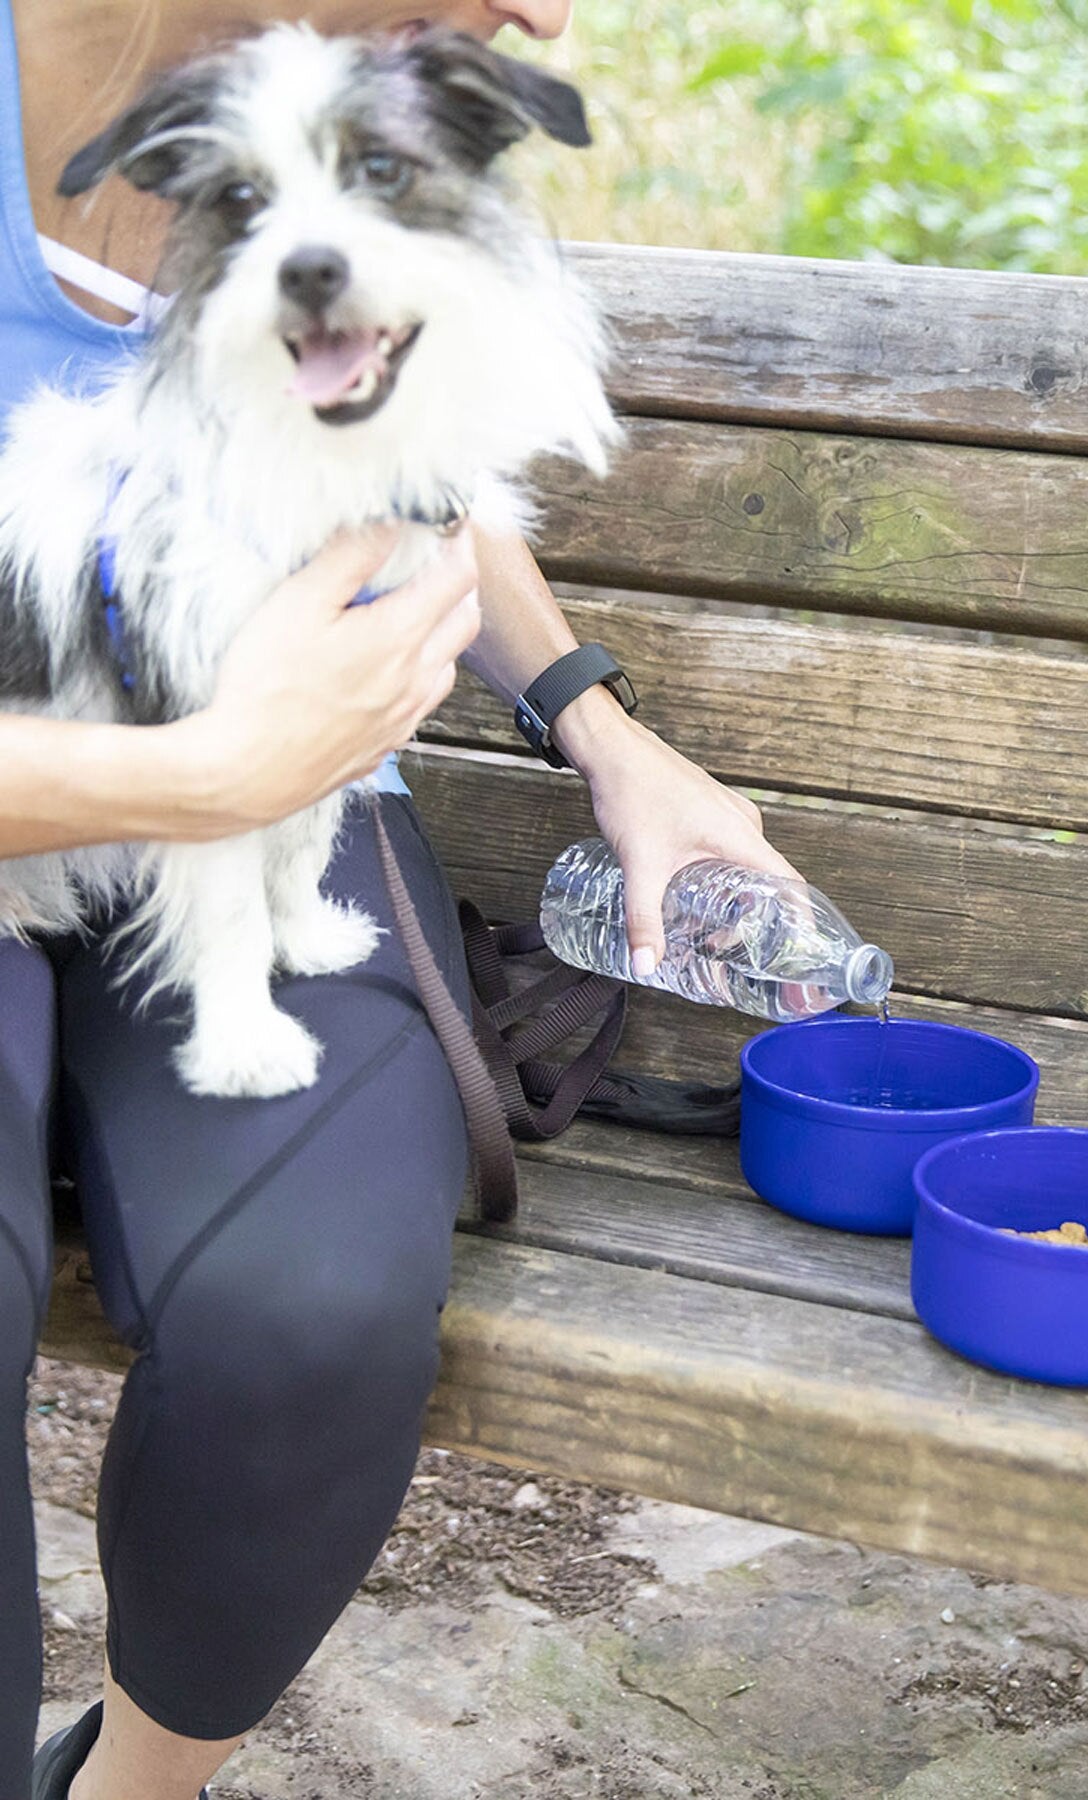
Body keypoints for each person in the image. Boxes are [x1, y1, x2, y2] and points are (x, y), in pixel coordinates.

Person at [0, 3, 800, 1795]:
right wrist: (200, 773)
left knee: (315, 1301)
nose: (544, 12)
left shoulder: (373, 111)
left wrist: (599, 725)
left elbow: (405, 460)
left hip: (298, 811)